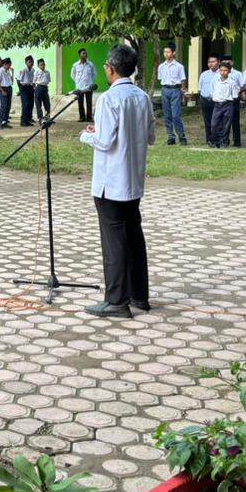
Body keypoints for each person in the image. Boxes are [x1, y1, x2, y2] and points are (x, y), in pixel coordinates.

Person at [80, 44, 156, 318]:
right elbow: (150, 136)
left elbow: (105, 140)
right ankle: (139, 296)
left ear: (110, 69)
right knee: (134, 237)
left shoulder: (109, 99)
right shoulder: (143, 97)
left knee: (114, 242)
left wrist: (87, 135)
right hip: (133, 181)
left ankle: (116, 300)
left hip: (110, 183)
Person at [156, 44, 188, 145]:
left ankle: (182, 136)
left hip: (175, 90)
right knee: (167, 115)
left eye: (168, 52)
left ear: (173, 53)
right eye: (165, 52)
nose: (166, 54)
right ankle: (171, 137)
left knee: (175, 115)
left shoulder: (179, 66)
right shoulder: (161, 66)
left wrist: (182, 92)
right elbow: (161, 79)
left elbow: (183, 80)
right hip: (165, 89)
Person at [209, 62, 240, 148]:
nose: (223, 72)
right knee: (214, 124)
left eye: (225, 70)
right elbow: (212, 92)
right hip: (217, 105)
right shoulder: (215, 81)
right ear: (219, 71)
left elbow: (234, 95)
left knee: (226, 125)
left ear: (229, 71)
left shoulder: (232, 83)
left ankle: (224, 141)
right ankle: (215, 140)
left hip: (228, 104)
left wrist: (228, 101)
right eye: (221, 70)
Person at [71, 49, 98, 123]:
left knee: (89, 102)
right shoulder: (75, 65)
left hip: (89, 87)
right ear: (79, 55)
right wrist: (77, 82)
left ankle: (89, 117)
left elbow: (94, 74)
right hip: (79, 87)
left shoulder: (90, 64)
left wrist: (90, 81)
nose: (85, 55)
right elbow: (72, 75)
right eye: (83, 53)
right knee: (80, 102)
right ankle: (82, 117)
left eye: (86, 53)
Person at [198, 56, 219, 147]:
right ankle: (209, 140)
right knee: (207, 121)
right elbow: (200, 88)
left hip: (217, 100)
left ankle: (217, 139)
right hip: (205, 100)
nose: (211, 63)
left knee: (217, 121)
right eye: (209, 62)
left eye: (213, 61)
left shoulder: (221, 74)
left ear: (218, 62)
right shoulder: (204, 74)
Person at [17, 57, 35, 126]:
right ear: (26, 63)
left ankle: (28, 120)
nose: (31, 63)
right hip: (23, 87)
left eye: (32, 62)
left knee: (31, 104)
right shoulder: (23, 70)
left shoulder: (33, 70)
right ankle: (23, 121)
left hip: (30, 87)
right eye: (29, 62)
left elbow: (32, 80)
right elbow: (19, 80)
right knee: (25, 104)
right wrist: (20, 90)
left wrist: (33, 86)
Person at [33, 58, 52, 124]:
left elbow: (48, 80)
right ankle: (40, 118)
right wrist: (35, 89)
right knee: (38, 104)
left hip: (45, 88)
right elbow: (34, 81)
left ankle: (48, 117)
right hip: (38, 87)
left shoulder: (47, 72)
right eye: (41, 65)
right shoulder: (36, 72)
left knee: (47, 103)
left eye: (43, 64)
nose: (42, 66)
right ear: (38, 66)